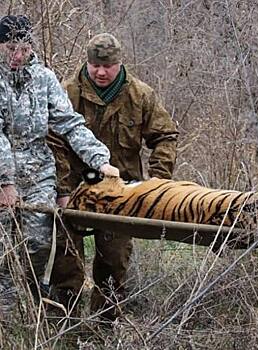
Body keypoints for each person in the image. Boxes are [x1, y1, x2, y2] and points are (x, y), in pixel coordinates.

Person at [49, 32, 178, 319]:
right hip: (74, 192)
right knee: (66, 264)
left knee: (114, 264)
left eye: (108, 65)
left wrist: (158, 185)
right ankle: (63, 326)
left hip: (122, 194)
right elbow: (54, 141)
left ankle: (104, 327)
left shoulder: (139, 94)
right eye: (95, 65)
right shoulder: (68, 91)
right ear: (87, 62)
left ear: (120, 63)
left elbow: (165, 136)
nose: (101, 71)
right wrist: (62, 189)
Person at [0, 15, 119, 311]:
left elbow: (70, 123)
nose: (17, 56)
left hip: (38, 169)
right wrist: (5, 181)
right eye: (11, 48)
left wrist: (100, 159)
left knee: (38, 243)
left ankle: (26, 302)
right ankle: (5, 305)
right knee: (3, 246)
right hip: (4, 168)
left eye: (24, 49)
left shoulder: (44, 78)